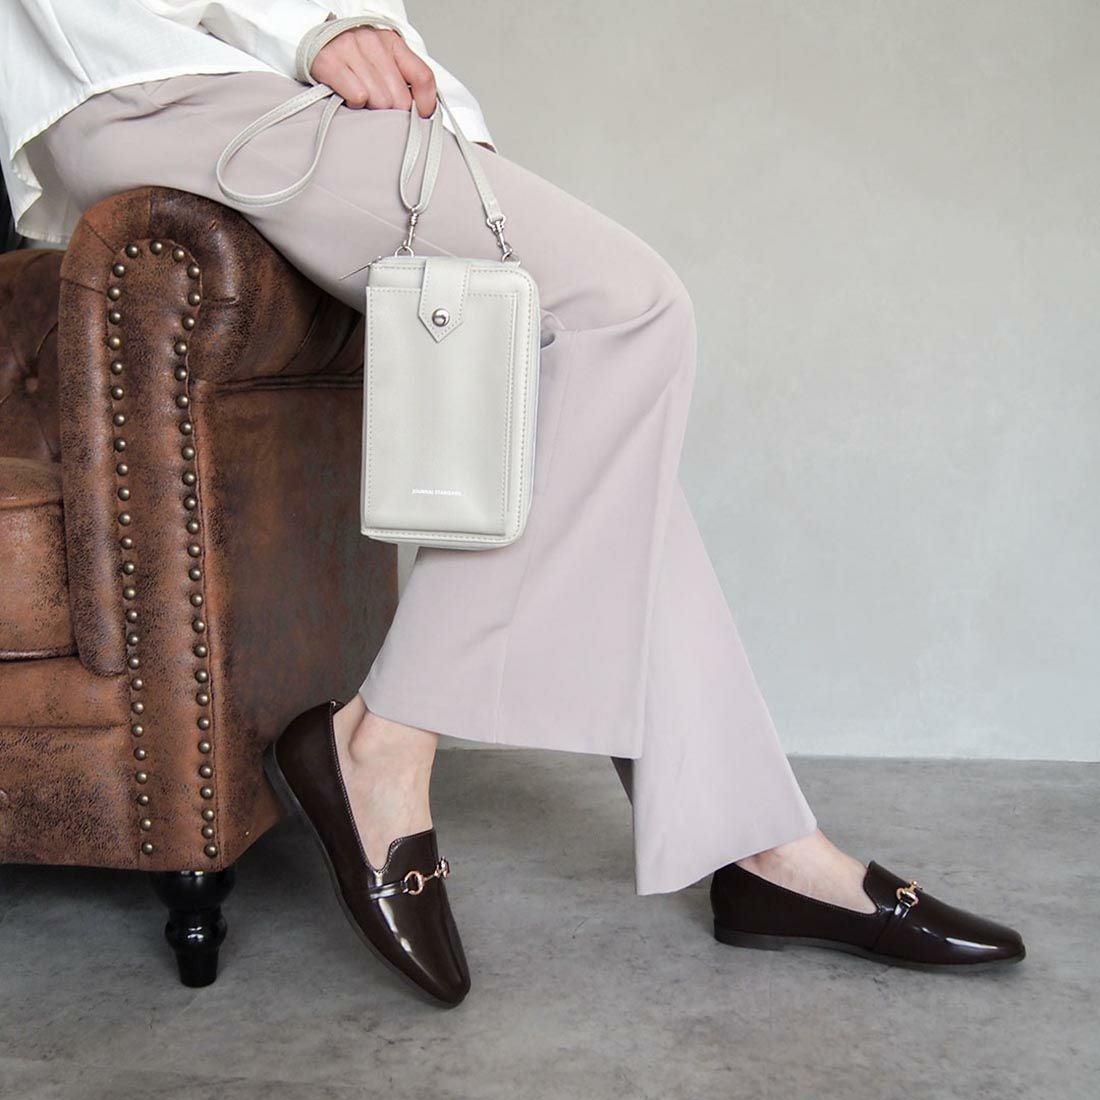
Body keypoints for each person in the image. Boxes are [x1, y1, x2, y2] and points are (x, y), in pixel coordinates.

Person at [0, 1, 1025, 1007]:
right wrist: (313, 25)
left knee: (597, 424)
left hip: (240, 83)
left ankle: (760, 845)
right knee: (625, 313)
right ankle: (382, 741)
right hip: (159, 77)